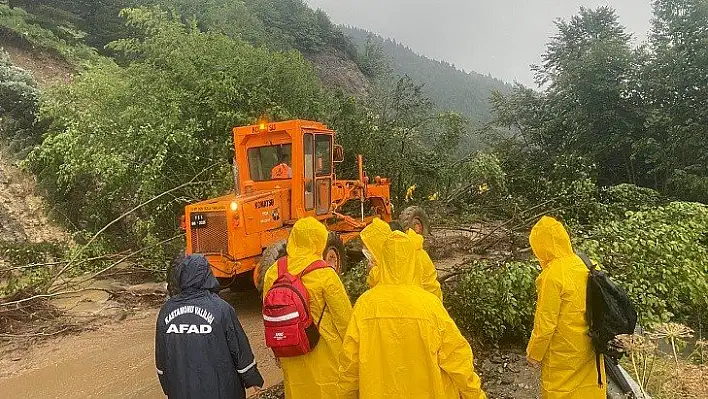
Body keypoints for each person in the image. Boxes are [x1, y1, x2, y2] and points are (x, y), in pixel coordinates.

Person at [338, 231, 486, 398]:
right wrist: (475, 394)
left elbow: (349, 363)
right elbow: (457, 358)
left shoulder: (365, 305)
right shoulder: (430, 305)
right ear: (413, 262)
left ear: (383, 261)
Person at [262, 217, 353, 398]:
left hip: (290, 349)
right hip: (325, 353)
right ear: (319, 241)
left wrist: (277, 351)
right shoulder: (325, 273)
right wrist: (353, 354)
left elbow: (270, 315)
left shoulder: (274, 271)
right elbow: (345, 320)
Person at [155, 254, 264, 399]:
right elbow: (239, 348)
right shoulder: (221, 308)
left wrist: (168, 386)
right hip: (222, 390)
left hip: (182, 390)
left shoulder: (166, 311)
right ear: (206, 274)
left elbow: (161, 358)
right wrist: (252, 378)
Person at [526, 216, 606, 398]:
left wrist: (534, 354)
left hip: (563, 354)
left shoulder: (552, 276)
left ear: (540, 246)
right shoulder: (589, 263)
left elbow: (545, 324)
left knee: (560, 392)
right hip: (591, 346)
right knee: (590, 390)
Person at [362, 218, 442, 301]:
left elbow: (391, 285)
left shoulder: (402, 256)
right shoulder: (412, 250)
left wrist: (373, 271)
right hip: (428, 303)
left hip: (421, 304)